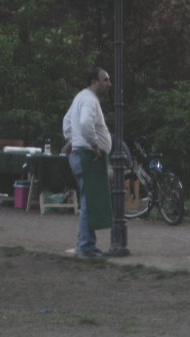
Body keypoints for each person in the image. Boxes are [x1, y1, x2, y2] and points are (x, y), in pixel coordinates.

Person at [62, 67, 113, 258]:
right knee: (89, 202)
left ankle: (87, 244)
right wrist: (93, 145)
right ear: (94, 82)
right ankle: (84, 247)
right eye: (105, 80)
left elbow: (67, 122)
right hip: (89, 156)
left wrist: (73, 140)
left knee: (88, 200)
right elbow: (84, 124)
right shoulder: (90, 100)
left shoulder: (80, 97)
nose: (109, 83)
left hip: (80, 154)